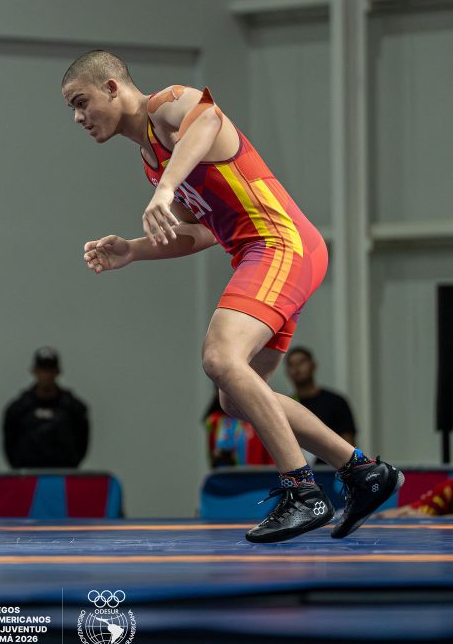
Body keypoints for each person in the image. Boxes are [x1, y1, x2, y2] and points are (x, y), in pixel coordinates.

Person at [65, 50, 401, 543]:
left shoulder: (169, 104)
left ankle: (303, 491)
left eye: (81, 102)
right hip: (264, 254)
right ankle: (362, 471)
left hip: (279, 243)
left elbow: (208, 122)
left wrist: (166, 189)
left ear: (112, 88)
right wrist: (133, 250)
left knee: (220, 357)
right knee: (237, 397)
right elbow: (201, 231)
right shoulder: (152, 161)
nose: (78, 118)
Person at [2, 348, 89, 469]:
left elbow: (81, 443)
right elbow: (10, 443)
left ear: (58, 372)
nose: (46, 375)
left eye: (50, 370)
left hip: (62, 474)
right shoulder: (18, 409)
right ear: (34, 371)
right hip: (27, 475)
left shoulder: (73, 409)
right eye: (42, 370)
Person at [285, 346, 357, 446]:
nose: (296, 368)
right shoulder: (287, 405)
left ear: (313, 365)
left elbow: (348, 443)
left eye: (301, 362)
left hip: (331, 456)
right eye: (291, 364)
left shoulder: (335, 402)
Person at [203, 390, 273, 468]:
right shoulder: (215, 421)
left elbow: (271, 459)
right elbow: (213, 458)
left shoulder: (262, 420)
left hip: (257, 473)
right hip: (228, 474)